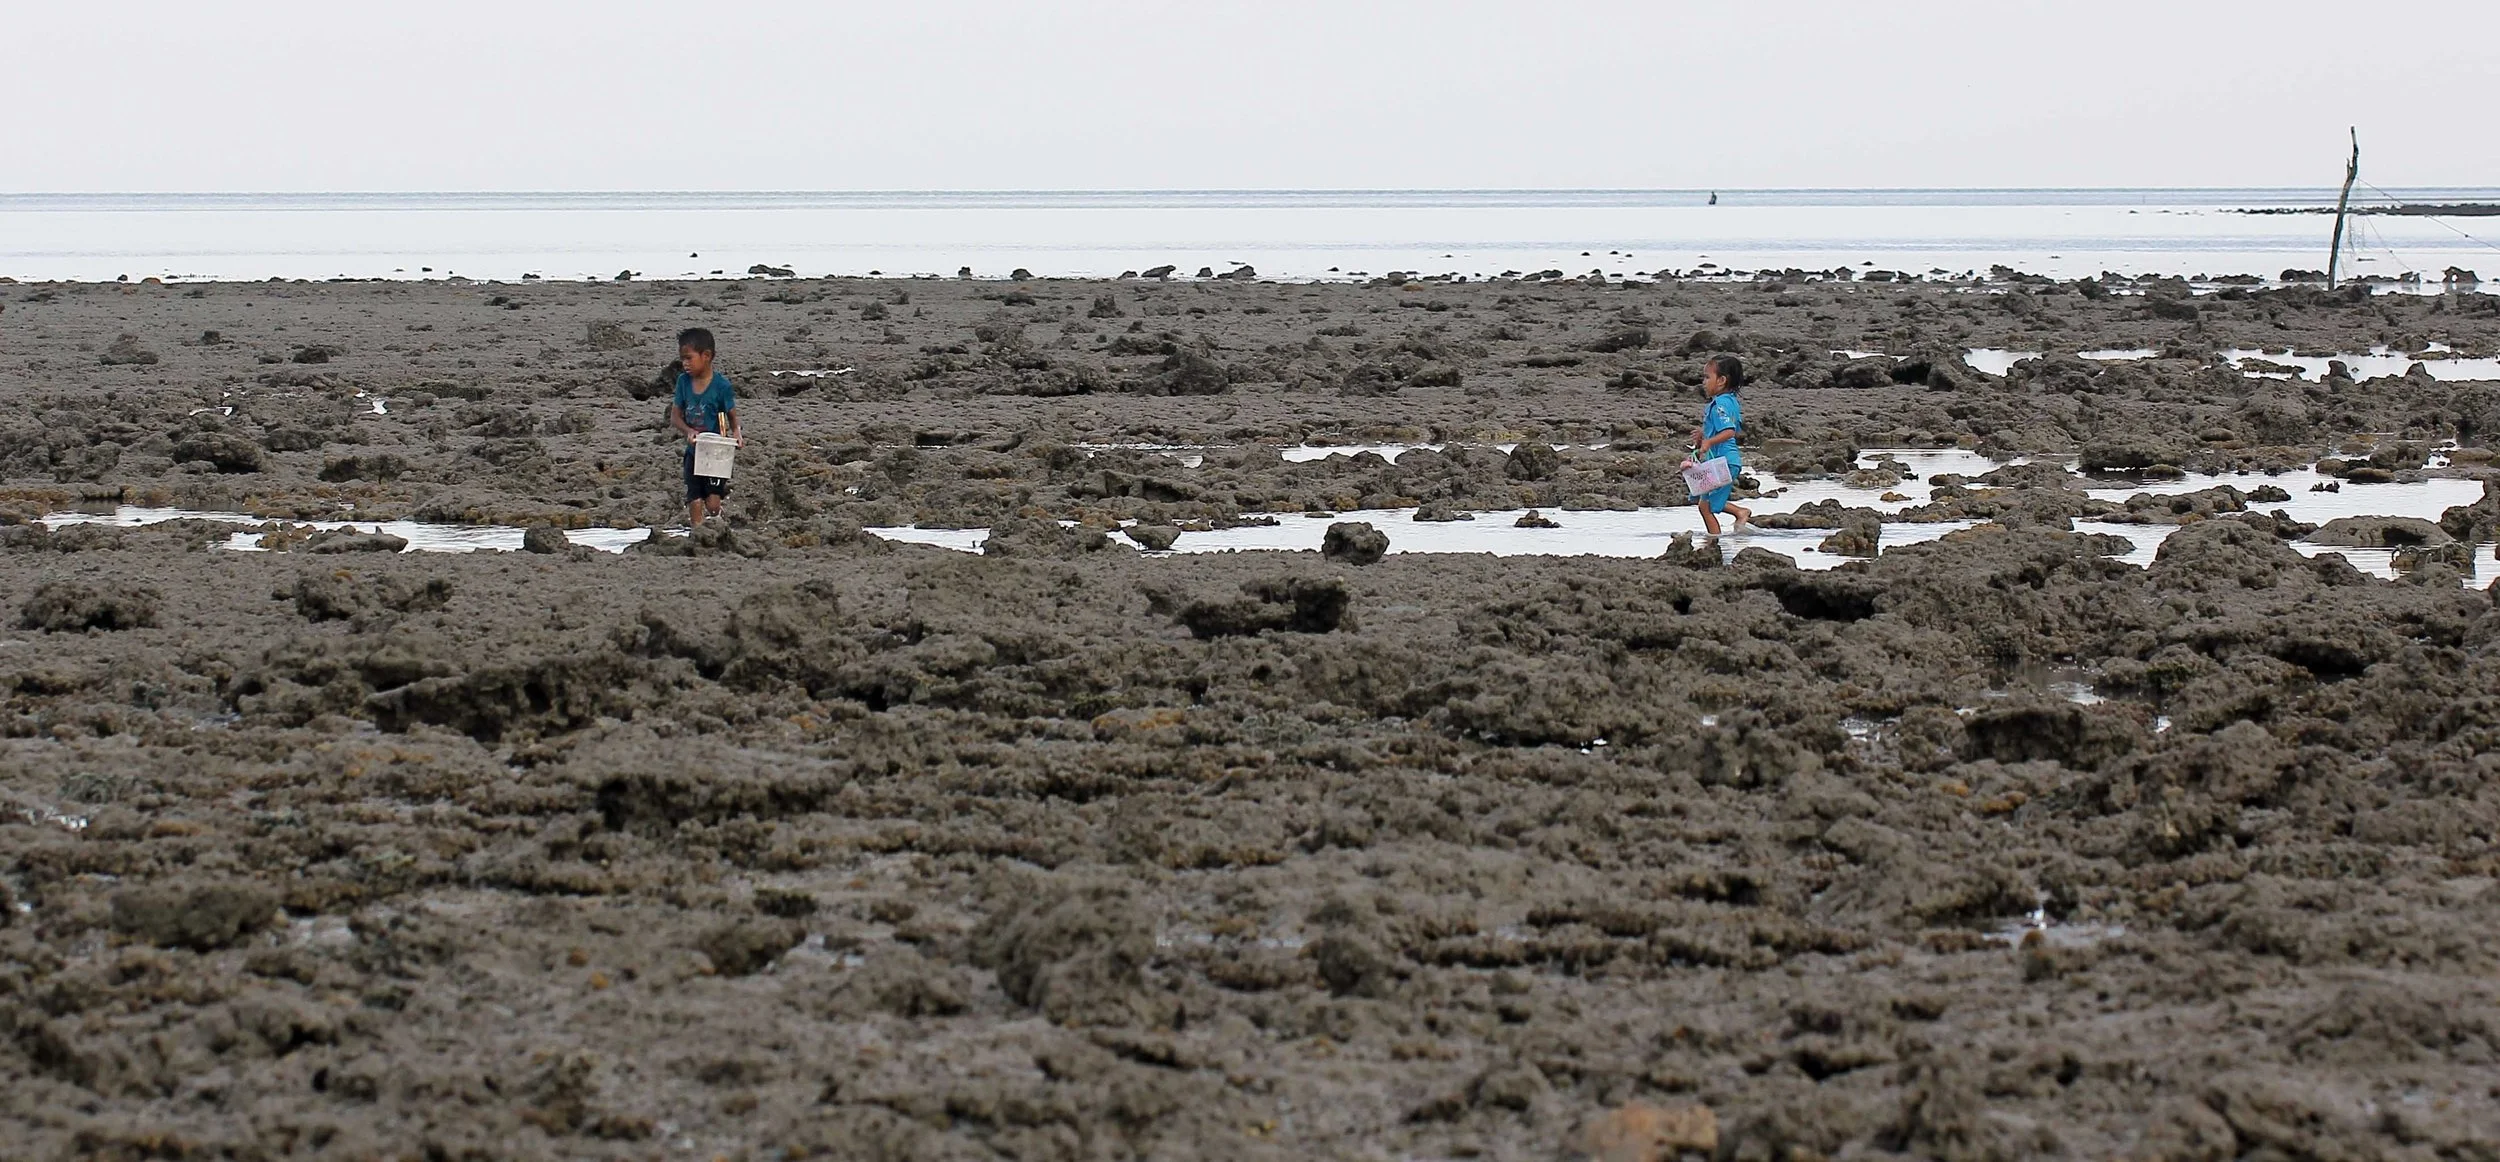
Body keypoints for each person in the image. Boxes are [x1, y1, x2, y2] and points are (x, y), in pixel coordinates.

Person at [666, 327, 742, 528]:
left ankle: (719, 519)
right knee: (694, 497)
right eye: (682, 359)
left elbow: (731, 414)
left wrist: (737, 433)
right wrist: (688, 430)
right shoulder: (683, 382)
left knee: (712, 502)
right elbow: (675, 416)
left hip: (716, 452)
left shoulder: (721, 386)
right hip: (694, 449)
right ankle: (697, 533)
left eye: (689, 358)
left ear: (706, 356)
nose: (685, 364)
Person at [1686, 354, 1751, 536]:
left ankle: (1715, 541)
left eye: (1707, 377)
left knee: (1706, 506)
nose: (1704, 382)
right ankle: (1738, 513)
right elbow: (1718, 430)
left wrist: (1708, 442)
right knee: (1704, 503)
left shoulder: (1721, 404)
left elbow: (1729, 431)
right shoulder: (1724, 402)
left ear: (1721, 380)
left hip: (1725, 463)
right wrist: (1702, 437)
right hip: (1719, 461)